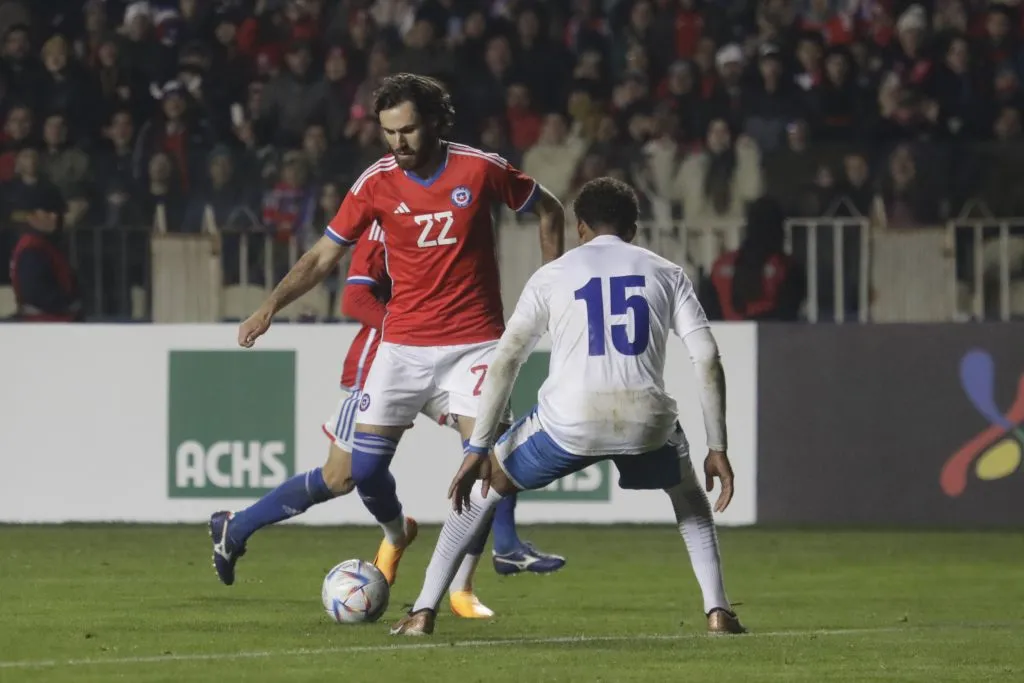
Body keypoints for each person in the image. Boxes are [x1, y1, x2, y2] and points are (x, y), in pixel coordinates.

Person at [215, 73, 565, 597]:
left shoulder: (480, 168)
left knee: (488, 449)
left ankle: (506, 546)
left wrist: (551, 286)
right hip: (402, 349)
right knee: (363, 470)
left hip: (475, 343)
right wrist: (270, 305)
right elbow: (323, 257)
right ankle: (396, 532)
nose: (398, 143)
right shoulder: (376, 183)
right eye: (388, 132)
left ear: (436, 123)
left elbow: (550, 209)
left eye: (408, 131)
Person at [391, 177, 745, 636]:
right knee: (690, 500)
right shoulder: (667, 272)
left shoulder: (553, 274)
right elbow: (707, 357)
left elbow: (506, 359)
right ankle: (717, 610)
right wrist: (717, 445)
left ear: (579, 228)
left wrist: (478, 445)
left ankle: (423, 611)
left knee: (480, 490)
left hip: (568, 421)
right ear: (633, 230)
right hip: (647, 422)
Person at [210, 225, 565, 619]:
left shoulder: (455, 213)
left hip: (453, 356)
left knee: (496, 437)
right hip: (389, 361)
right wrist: (413, 331)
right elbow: (355, 298)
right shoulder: (388, 218)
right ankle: (241, 527)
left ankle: (479, 572)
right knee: (340, 476)